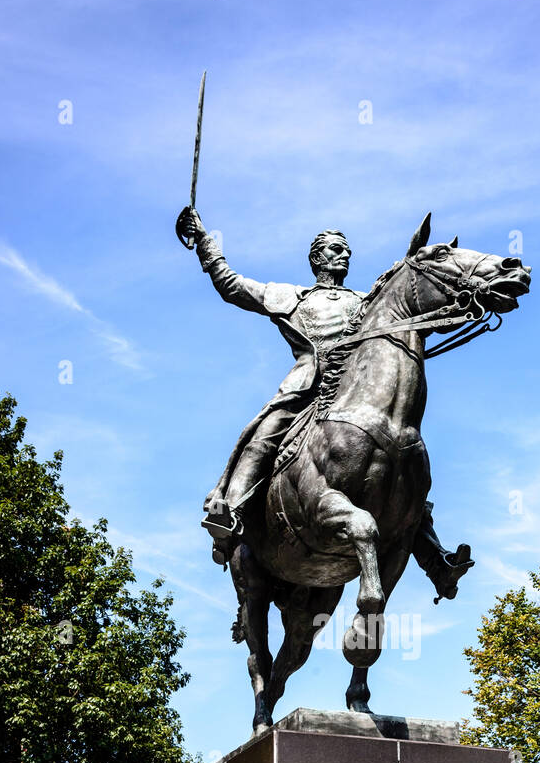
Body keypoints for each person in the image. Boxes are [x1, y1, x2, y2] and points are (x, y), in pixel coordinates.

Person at [175, 206, 474, 599]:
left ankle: (435, 561)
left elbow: (414, 317)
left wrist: (466, 299)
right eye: (335, 249)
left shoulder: (368, 301)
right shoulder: (289, 297)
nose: (344, 255)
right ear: (316, 258)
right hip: (309, 388)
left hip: (361, 391)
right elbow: (231, 286)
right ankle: (230, 512)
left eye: (347, 249)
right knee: (264, 435)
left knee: (401, 466)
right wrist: (203, 242)